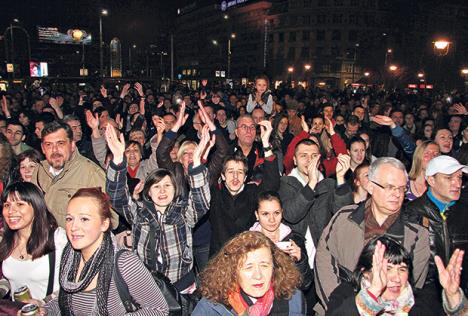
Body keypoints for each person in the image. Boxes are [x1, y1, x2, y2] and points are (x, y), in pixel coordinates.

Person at [314, 157, 430, 314]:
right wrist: (348, 310)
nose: (397, 194)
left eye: (402, 188)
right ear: (370, 186)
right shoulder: (344, 218)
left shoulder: (416, 233)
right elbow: (324, 263)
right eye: (389, 187)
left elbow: (409, 287)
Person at [106, 122, 211, 291]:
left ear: (175, 189)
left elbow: (202, 202)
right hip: (146, 284)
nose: (162, 191)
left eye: (167, 186)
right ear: (148, 192)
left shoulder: (184, 213)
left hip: (181, 285)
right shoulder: (139, 213)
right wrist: (118, 162)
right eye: (156, 186)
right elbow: (117, 196)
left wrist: (197, 165)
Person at [43, 187, 169, 315]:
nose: (73, 227)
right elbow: (65, 300)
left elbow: (159, 310)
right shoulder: (69, 257)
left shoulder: (124, 262)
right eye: (70, 219)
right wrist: (45, 309)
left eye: (84, 219)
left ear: (104, 224)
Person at [209, 119, 280, 257]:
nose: (235, 177)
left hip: (248, 258)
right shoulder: (214, 194)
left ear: (246, 176)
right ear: (223, 176)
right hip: (220, 262)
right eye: (230, 172)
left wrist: (265, 143)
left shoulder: (252, 192)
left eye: (240, 172)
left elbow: (273, 183)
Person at [192, 231, 306, 315]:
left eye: (264, 265)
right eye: (248, 267)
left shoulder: (293, 300)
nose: (258, 275)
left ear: (274, 267)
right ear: (233, 271)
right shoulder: (212, 308)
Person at [31, 121, 118, 228]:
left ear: (72, 145)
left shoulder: (90, 173)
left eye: (60, 143)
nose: (55, 150)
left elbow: (111, 220)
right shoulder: (39, 170)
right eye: (48, 145)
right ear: (43, 148)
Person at [326, 236, 436, 315]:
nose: (397, 278)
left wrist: (452, 303)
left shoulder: (424, 302)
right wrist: (372, 294)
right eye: (387, 269)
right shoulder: (345, 295)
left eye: (402, 269)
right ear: (365, 273)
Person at [405, 155, 468, 293]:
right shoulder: (412, 213)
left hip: (461, 294)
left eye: (459, 177)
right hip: (424, 296)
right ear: (431, 180)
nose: (457, 184)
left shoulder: (464, 210)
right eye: (449, 178)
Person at [0, 182, 67, 304]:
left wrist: (42, 303)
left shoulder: (58, 238)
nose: (11, 211)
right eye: (6, 205)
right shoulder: (5, 239)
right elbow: (9, 278)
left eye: (20, 204)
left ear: (36, 207)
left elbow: (74, 287)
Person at [250, 191, 313, 291]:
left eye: (276, 213)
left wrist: (300, 261)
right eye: (265, 214)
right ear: (257, 215)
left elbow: (305, 285)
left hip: (288, 300)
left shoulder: (294, 239)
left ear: (282, 213)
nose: (272, 219)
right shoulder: (248, 242)